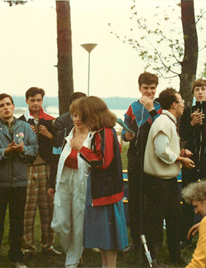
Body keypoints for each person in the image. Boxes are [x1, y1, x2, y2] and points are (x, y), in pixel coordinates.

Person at [71, 96, 128, 268]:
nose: (81, 119)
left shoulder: (105, 132)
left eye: (84, 115)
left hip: (106, 194)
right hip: (103, 192)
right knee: (104, 239)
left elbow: (103, 162)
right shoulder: (102, 131)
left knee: (108, 238)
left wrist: (81, 148)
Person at [0, 93, 38, 268]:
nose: (5, 107)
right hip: (0, 181)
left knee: (17, 221)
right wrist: (4, 152)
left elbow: (34, 148)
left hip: (20, 181)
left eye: (8, 104)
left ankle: (16, 257)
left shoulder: (25, 126)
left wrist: (23, 150)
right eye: (1, 106)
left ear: (13, 106)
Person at [143, 88, 195, 266]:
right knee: (155, 222)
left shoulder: (168, 121)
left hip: (168, 181)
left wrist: (179, 153)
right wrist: (181, 159)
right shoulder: (163, 122)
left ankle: (174, 256)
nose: (183, 105)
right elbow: (161, 152)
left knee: (175, 219)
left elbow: (166, 150)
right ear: (174, 105)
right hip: (158, 182)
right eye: (181, 102)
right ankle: (151, 260)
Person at [178, 79, 206, 249]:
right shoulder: (187, 111)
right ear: (193, 93)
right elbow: (182, 134)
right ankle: (186, 237)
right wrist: (191, 123)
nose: (200, 92)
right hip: (191, 159)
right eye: (197, 89)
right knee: (188, 197)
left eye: (203, 89)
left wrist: (202, 125)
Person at [18, 87, 61, 260]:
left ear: (42, 101)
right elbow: (15, 142)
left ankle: (48, 244)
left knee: (47, 207)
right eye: (32, 100)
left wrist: (48, 135)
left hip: (46, 167)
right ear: (26, 101)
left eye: (38, 100)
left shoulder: (51, 121)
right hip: (27, 168)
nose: (35, 103)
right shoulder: (20, 121)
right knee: (27, 208)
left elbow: (59, 145)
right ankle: (27, 246)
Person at [121, 72, 161, 253]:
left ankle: (154, 241)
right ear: (139, 88)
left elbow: (162, 128)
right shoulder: (132, 107)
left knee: (152, 201)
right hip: (136, 159)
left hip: (153, 159)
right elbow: (125, 127)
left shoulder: (160, 107)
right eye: (146, 88)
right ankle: (136, 241)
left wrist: (152, 108)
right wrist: (125, 135)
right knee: (135, 200)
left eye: (153, 88)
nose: (149, 92)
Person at [51, 98, 90, 268]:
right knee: (60, 222)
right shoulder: (64, 135)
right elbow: (55, 158)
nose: (77, 119)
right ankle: (73, 253)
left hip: (82, 182)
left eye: (81, 115)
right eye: (74, 115)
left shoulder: (93, 137)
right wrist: (51, 184)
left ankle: (72, 262)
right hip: (64, 179)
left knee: (79, 222)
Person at [48, 92, 86, 196]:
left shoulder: (90, 122)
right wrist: (52, 182)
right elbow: (57, 149)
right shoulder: (62, 121)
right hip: (66, 168)